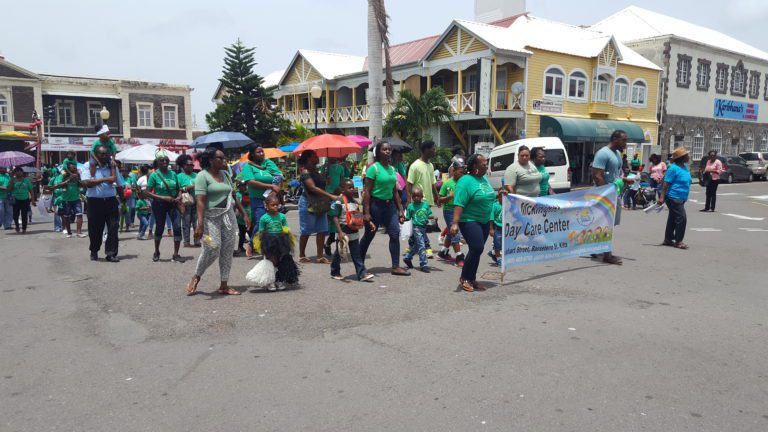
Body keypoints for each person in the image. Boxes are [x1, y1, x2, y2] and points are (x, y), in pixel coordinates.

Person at [186, 147, 249, 296]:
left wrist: (244, 213)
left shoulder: (226, 174)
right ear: (210, 160)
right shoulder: (202, 176)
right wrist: (199, 224)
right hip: (210, 218)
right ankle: (197, 275)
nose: (224, 161)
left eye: (224, 158)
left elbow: (232, 195)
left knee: (227, 250)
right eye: (220, 158)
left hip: (228, 216)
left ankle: (224, 285)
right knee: (212, 247)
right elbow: (200, 201)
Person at [360, 141, 410, 276]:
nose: (388, 151)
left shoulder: (392, 169)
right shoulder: (373, 168)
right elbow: (367, 192)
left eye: (389, 149)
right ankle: (360, 265)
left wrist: (400, 210)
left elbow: (395, 192)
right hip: (375, 205)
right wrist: (366, 212)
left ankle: (396, 266)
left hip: (389, 206)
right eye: (384, 149)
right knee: (369, 236)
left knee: (394, 233)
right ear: (378, 152)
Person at [450, 154, 496, 292]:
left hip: (484, 221)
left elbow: (489, 197)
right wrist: (454, 223)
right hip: (469, 220)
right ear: (475, 166)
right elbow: (459, 203)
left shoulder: (483, 179)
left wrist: (499, 195)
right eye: (483, 164)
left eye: (486, 163)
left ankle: (472, 278)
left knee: (478, 250)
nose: (486, 166)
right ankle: (464, 277)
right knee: (476, 247)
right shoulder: (465, 181)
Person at [592, 130, 634, 265]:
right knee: (607, 223)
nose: (625, 144)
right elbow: (597, 175)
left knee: (606, 223)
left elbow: (615, 175)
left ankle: (595, 248)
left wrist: (625, 180)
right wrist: (607, 194)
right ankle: (607, 254)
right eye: (624, 140)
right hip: (606, 194)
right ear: (615, 139)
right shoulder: (603, 153)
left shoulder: (616, 154)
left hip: (614, 192)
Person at [329, 178, 375, 282]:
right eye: (349, 188)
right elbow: (335, 217)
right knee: (339, 253)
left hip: (354, 233)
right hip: (343, 233)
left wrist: (369, 222)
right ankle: (335, 271)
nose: (352, 189)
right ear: (342, 190)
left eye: (353, 187)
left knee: (356, 254)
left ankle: (361, 274)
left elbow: (359, 216)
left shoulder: (354, 202)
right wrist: (340, 232)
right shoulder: (339, 201)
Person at [80, 145, 120, 262]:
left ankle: (111, 253)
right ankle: (94, 250)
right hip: (94, 202)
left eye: (106, 154)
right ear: (96, 155)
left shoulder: (112, 166)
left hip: (111, 200)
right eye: (101, 154)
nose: (104, 156)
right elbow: (87, 183)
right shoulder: (88, 166)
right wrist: (105, 179)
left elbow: (116, 180)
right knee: (95, 229)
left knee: (113, 227)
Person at [297, 150, 337, 263]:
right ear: (309, 158)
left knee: (322, 229)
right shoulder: (305, 171)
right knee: (306, 230)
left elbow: (320, 184)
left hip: (320, 203)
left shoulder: (316, 171)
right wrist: (330, 196)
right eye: (315, 156)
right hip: (308, 202)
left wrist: (326, 180)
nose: (317, 157)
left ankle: (320, 256)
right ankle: (302, 255)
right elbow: (313, 188)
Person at [237, 144, 281, 240]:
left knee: (273, 222)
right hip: (257, 199)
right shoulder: (247, 167)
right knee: (260, 222)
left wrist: (274, 191)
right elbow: (251, 182)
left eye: (262, 151)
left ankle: (271, 245)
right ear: (252, 154)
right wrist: (270, 186)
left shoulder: (268, 162)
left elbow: (278, 175)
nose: (261, 153)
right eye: (258, 152)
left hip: (272, 198)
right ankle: (252, 244)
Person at [256, 194, 299, 290]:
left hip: (281, 241)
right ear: (266, 206)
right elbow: (261, 231)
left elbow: (285, 227)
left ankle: (279, 280)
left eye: (277, 205)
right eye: (273, 205)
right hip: (269, 242)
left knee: (281, 260)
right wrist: (261, 244)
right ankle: (270, 281)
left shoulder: (282, 216)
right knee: (272, 261)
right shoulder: (264, 218)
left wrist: (287, 233)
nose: (275, 207)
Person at [145, 153, 182, 262]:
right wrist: (162, 197)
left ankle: (176, 253)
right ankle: (156, 251)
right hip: (159, 204)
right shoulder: (154, 175)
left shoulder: (174, 174)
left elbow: (178, 188)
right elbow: (147, 192)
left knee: (177, 227)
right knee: (160, 227)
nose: (165, 162)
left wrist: (179, 196)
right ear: (157, 162)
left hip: (173, 203)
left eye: (166, 160)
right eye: (162, 160)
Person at [406, 140, 441, 257]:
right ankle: (427, 247)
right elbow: (409, 184)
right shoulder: (415, 166)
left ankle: (412, 245)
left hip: (428, 201)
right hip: (419, 201)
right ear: (426, 150)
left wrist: (437, 197)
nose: (434, 151)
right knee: (420, 225)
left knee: (419, 225)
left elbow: (432, 183)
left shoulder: (430, 165)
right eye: (433, 148)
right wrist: (409, 201)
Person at [659, 147, 692, 249]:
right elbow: (666, 184)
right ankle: (678, 241)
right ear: (681, 157)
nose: (688, 156)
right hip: (673, 197)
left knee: (673, 218)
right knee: (681, 218)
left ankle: (668, 239)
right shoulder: (673, 168)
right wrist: (662, 197)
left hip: (681, 197)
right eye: (686, 155)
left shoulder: (684, 167)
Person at [437, 156, 466, 266]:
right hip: (449, 211)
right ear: (453, 171)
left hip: (460, 210)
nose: (462, 174)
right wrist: (449, 197)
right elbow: (439, 200)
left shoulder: (464, 182)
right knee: (455, 233)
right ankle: (459, 256)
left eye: (463, 172)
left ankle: (443, 252)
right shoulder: (447, 184)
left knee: (450, 231)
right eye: (460, 172)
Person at [49, 161, 85, 237]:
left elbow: (81, 184)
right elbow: (60, 185)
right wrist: (69, 179)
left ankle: (79, 232)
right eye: (72, 166)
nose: (74, 167)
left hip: (76, 199)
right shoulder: (63, 175)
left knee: (79, 215)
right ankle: (69, 232)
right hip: (66, 200)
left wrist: (78, 178)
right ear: (68, 168)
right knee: (66, 216)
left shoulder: (77, 174)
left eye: (74, 166)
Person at [402, 186, 433, 273]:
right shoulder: (411, 206)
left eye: (418, 196)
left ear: (421, 197)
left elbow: (429, 214)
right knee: (422, 245)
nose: (416, 198)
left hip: (423, 227)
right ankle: (423, 264)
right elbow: (408, 217)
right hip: (416, 228)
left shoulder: (425, 205)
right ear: (412, 197)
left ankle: (407, 258)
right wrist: (402, 218)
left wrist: (433, 217)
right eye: (414, 196)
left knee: (416, 246)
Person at [322, 157, 345, 256]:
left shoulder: (341, 168)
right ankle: (328, 243)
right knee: (331, 218)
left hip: (338, 195)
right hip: (328, 195)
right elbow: (321, 181)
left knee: (339, 217)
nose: (333, 157)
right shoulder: (325, 167)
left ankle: (334, 244)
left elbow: (343, 180)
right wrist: (325, 174)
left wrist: (340, 190)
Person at [176, 154, 200, 247]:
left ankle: (197, 241)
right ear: (183, 166)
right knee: (186, 223)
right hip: (185, 202)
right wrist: (187, 188)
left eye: (192, 165)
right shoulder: (179, 176)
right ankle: (186, 242)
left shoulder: (197, 175)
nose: (191, 167)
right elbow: (178, 189)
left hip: (196, 201)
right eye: (188, 165)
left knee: (196, 223)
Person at [7, 167, 35, 233]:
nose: (19, 172)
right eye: (17, 171)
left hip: (25, 199)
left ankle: (24, 228)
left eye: (20, 171)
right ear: (15, 173)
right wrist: (11, 181)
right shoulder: (12, 180)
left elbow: (31, 190)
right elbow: (9, 190)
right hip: (15, 200)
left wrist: (33, 200)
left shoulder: (26, 180)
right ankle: (17, 226)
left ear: (22, 172)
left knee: (24, 214)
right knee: (15, 215)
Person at [488, 189, 504, 266]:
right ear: (498, 197)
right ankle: (498, 259)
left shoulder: (509, 205)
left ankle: (494, 253)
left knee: (503, 244)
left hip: (506, 228)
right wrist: (491, 229)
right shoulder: (495, 205)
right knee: (497, 243)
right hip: (497, 227)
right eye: (501, 197)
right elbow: (491, 218)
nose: (503, 198)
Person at [0, 166, 12, 230]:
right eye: (3, 168)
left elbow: (10, 183)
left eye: (5, 168)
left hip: (8, 196)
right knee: (1, 210)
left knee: (9, 211)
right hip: (0, 196)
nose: (4, 169)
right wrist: (3, 188)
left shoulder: (8, 175)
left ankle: (8, 225)